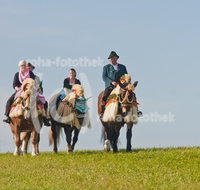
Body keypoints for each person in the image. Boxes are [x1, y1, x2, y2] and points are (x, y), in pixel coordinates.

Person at [100, 51, 128, 117]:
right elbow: (104, 77)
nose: (111, 60)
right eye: (110, 58)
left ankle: (136, 111)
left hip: (121, 86)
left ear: (116, 58)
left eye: (112, 58)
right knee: (105, 96)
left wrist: (121, 82)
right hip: (110, 86)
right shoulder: (106, 67)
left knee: (130, 94)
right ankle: (102, 112)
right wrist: (111, 82)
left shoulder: (123, 67)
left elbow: (126, 76)